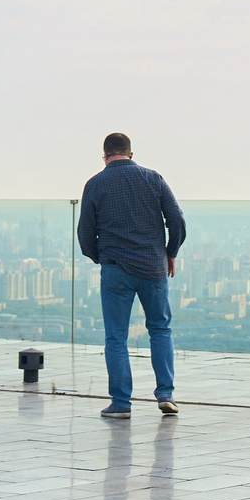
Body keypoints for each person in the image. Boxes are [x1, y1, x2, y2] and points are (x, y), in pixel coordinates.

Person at [77, 133, 186, 420]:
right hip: (153, 267)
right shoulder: (153, 178)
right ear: (131, 153)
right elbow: (176, 220)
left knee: (116, 337)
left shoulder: (95, 184)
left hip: (116, 269)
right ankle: (166, 394)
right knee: (160, 329)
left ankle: (121, 403)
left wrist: (102, 257)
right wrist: (170, 253)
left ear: (104, 155)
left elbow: (85, 234)